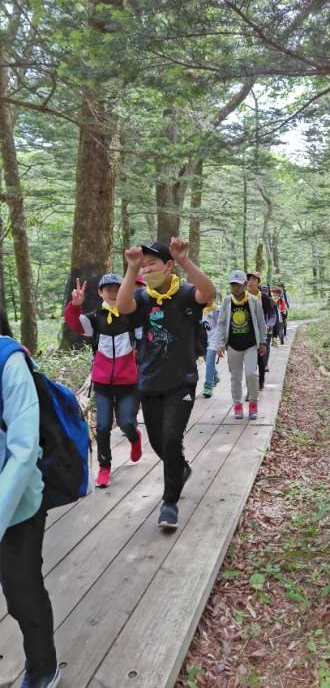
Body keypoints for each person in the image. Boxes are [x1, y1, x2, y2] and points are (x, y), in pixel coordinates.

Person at [116, 238, 216, 530]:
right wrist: (131, 268)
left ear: (168, 265)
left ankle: (169, 503)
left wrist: (185, 261)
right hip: (149, 383)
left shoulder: (185, 295)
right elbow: (122, 306)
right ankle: (180, 468)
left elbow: (208, 293)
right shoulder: (142, 298)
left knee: (172, 438)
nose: (147, 269)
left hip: (181, 382)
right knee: (160, 443)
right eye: (143, 265)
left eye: (152, 264)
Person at [0, 311, 60, 688]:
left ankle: (43, 667)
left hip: (19, 506)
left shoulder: (9, 361)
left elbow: (23, 451)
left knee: (21, 592)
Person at [64, 273, 142, 489]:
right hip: (103, 383)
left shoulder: (132, 316)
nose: (113, 293)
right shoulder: (94, 318)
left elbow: (145, 340)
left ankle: (135, 438)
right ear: (100, 292)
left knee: (127, 423)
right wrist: (75, 305)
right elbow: (75, 323)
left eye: (117, 289)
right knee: (103, 426)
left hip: (128, 383)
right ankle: (104, 467)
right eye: (108, 289)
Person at [215, 270, 266, 420]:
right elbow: (221, 323)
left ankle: (253, 404)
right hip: (233, 346)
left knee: (251, 374)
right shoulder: (227, 301)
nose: (235, 287)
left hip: (250, 345)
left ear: (244, 284)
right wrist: (220, 344)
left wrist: (263, 342)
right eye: (232, 285)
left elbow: (261, 322)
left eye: (238, 284)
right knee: (235, 377)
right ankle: (237, 406)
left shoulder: (253, 301)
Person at [246, 273, 277, 389]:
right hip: (247, 333)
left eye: (253, 280)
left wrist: (269, 325)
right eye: (248, 279)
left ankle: (261, 381)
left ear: (258, 283)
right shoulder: (242, 297)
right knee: (250, 361)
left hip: (262, 332)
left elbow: (272, 314)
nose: (250, 282)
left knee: (260, 359)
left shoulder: (264, 298)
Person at [202, 301, 220, 398]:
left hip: (213, 340)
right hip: (203, 340)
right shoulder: (198, 307)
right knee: (207, 360)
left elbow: (220, 325)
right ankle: (215, 376)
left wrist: (220, 342)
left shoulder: (215, 309)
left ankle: (208, 387)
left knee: (209, 361)